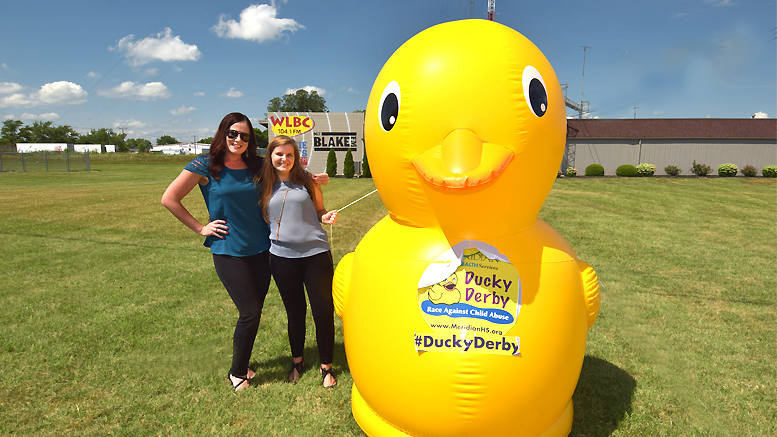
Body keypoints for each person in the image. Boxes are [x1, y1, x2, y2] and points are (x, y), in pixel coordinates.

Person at [161, 113, 328, 392]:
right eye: (232, 134)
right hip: (228, 250)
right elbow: (169, 198)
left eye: (245, 136)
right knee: (249, 310)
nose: (238, 140)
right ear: (222, 134)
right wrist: (201, 227)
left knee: (255, 310)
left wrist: (314, 179)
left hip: (263, 249)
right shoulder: (205, 165)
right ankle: (237, 372)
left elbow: (288, 170)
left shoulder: (257, 165)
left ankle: (245, 363)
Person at [258, 135, 339, 388]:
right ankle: (298, 362)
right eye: (279, 154)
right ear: (270, 156)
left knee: (323, 311)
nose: (284, 159)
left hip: (316, 255)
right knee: (295, 313)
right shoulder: (261, 185)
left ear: (296, 157)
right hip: (282, 258)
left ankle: (326, 367)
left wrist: (326, 217)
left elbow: (319, 211)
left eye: (289, 155)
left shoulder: (308, 182)